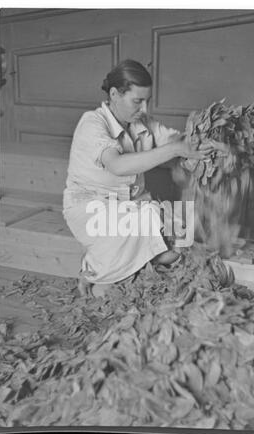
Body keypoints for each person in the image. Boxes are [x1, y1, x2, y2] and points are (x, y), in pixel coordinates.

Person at [63, 59, 211, 296]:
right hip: (91, 207)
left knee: (182, 238)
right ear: (114, 94)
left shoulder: (142, 123)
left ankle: (132, 261)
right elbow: (118, 165)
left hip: (131, 206)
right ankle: (93, 270)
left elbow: (176, 141)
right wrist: (175, 150)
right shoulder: (92, 122)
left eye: (147, 101)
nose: (144, 109)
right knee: (108, 287)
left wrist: (202, 144)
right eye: (137, 101)